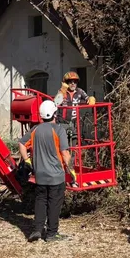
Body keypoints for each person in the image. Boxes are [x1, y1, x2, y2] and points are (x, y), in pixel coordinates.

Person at [19, 99, 76, 242]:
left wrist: (27, 160)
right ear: (55, 114)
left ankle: (37, 230)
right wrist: (71, 170)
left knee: (40, 201)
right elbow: (64, 153)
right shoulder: (58, 130)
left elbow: (21, 144)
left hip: (40, 176)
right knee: (54, 204)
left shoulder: (35, 130)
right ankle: (51, 234)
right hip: (56, 176)